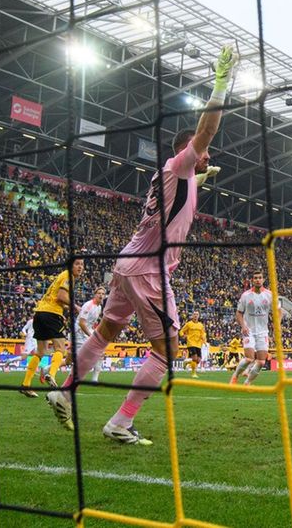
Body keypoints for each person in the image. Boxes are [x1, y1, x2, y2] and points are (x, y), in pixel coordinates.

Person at [46, 45, 237, 444]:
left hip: (128, 262)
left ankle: (64, 392)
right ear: (189, 151)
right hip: (150, 268)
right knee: (168, 349)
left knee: (106, 331)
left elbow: (179, 198)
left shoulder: (174, 177)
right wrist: (221, 85)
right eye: (203, 154)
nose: (207, 155)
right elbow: (206, 132)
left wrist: (201, 178)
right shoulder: (181, 163)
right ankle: (120, 422)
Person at [20, 258, 85, 397]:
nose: (80, 267)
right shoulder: (69, 276)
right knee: (60, 349)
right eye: (77, 264)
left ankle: (25, 385)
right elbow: (62, 296)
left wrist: (68, 307)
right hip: (52, 314)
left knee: (40, 351)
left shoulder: (61, 276)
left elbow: (57, 298)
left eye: (82, 265)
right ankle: (51, 374)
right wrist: (76, 306)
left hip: (39, 313)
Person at [229, 273, 273, 385]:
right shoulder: (246, 295)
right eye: (255, 278)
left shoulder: (269, 295)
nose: (258, 280)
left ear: (263, 279)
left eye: (260, 278)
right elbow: (238, 313)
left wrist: (277, 324)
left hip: (263, 331)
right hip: (249, 330)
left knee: (262, 362)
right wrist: (243, 326)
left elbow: (278, 310)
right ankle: (235, 376)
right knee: (249, 358)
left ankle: (247, 383)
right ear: (252, 280)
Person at [75, 286, 107, 383]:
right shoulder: (88, 305)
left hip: (88, 331)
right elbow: (81, 323)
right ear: (95, 294)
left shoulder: (99, 307)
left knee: (100, 352)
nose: (101, 295)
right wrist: (91, 335)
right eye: (99, 293)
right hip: (79, 333)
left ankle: (94, 379)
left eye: (102, 294)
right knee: (78, 358)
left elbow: (91, 323)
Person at [180, 312, 208, 378]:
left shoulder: (201, 325)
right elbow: (181, 331)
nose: (195, 316)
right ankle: (193, 373)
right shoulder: (188, 324)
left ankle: (187, 362)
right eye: (194, 314)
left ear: (199, 316)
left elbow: (203, 334)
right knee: (195, 358)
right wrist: (183, 336)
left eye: (197, 314)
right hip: (191, 343)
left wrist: (204, 341)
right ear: (192, 316)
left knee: (198, 360)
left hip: (198, 344)